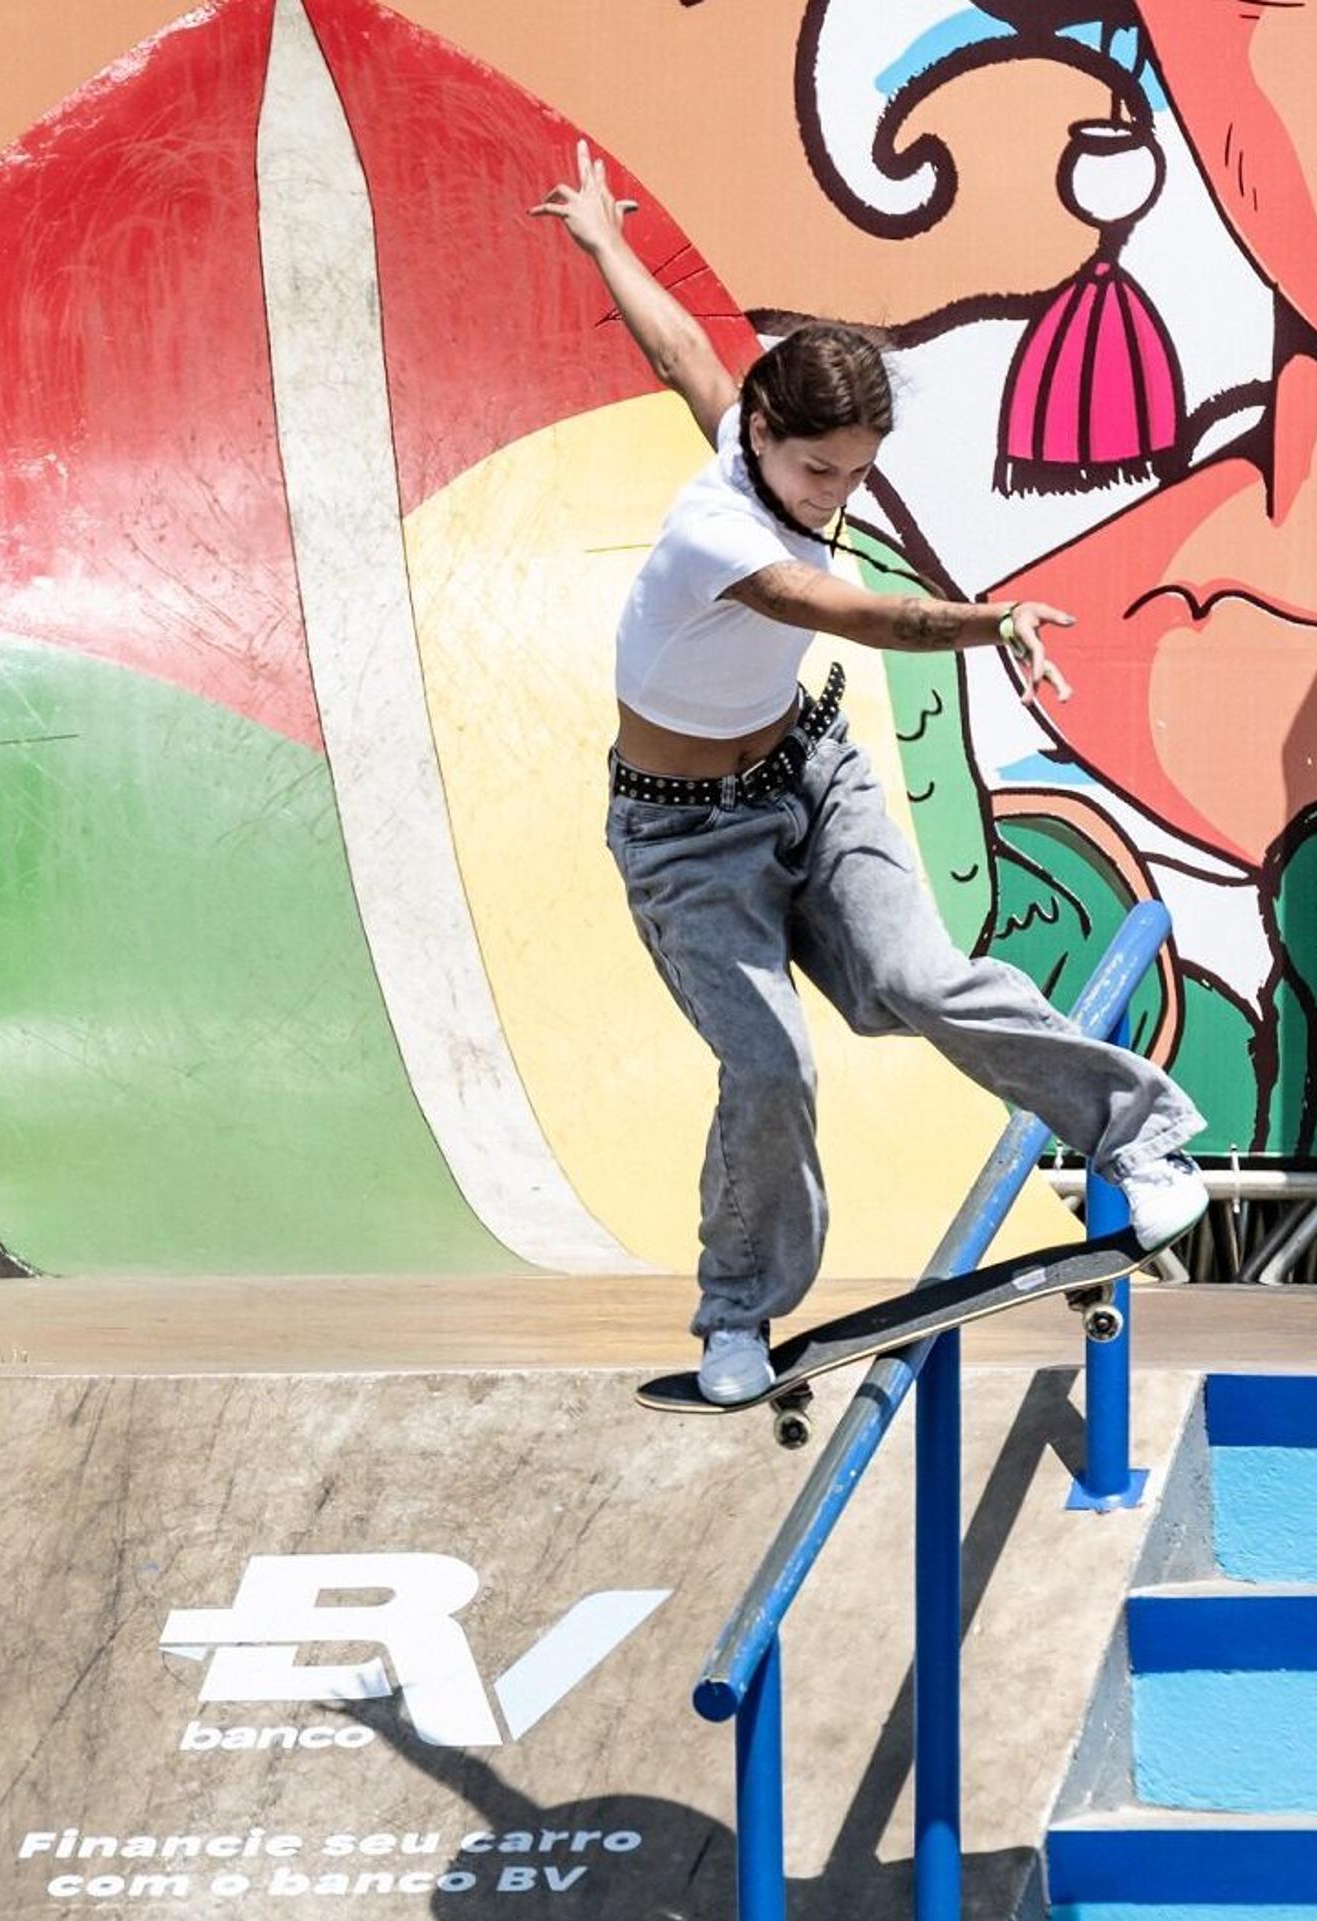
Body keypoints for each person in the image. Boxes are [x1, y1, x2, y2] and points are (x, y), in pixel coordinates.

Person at [539, 145, 1207, 1403]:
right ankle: (738, 1313)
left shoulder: (757, 430)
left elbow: (681, 347)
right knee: (771, 1060)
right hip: (686, 844)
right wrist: (989, 619)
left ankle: (1145, 1132)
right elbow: (852, 614)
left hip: (810, 774)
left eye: (853, 473)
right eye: (815, 472)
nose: (832, 496)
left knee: (916, 977)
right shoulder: (715, 531)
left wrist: (604, 242)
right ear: (760, 434)